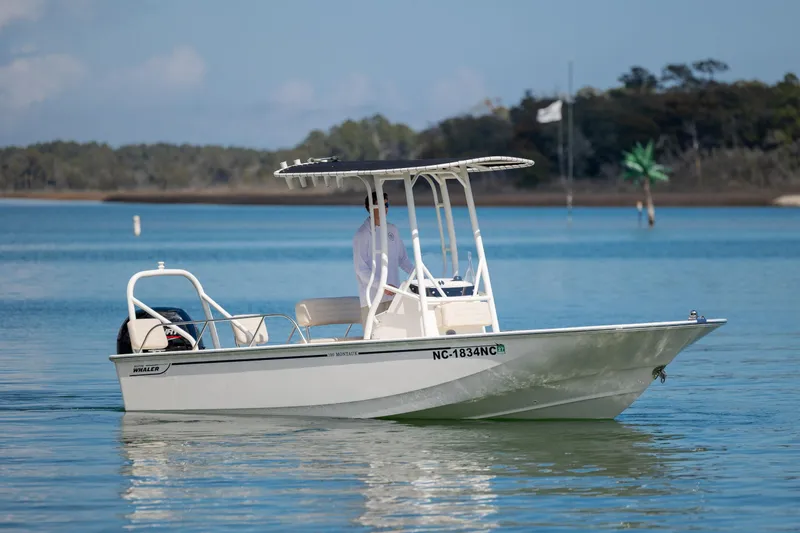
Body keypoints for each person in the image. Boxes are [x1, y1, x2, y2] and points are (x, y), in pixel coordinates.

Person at [353, 191, 414, 327]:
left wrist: (419, 276)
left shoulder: (392, 230)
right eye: (378, 205)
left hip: (394, 297)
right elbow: (361, 270)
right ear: (368, 206)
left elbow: (403, 260)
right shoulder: (362, 234)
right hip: (373, 299)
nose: (383, 209)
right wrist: (382, 286)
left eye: (386, 205)